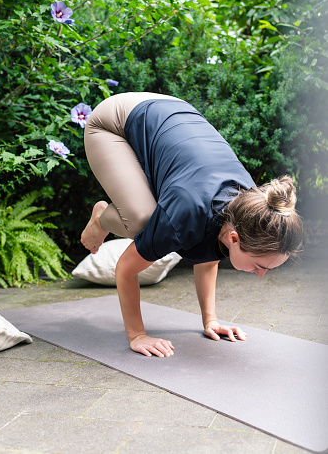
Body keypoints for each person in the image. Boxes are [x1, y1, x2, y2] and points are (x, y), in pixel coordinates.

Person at [81, 92, 303, 358]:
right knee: (141, 221)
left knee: (166, 218)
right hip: (114, 121)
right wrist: (137, 335)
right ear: (234, 238)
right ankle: (101, 217)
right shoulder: (185, 215)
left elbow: (209, 253)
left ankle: (114, 212)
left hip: (169, 113)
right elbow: (126, 269)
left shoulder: (251, 210)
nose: (260, 275)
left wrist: (210, 320)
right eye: (259, 265)